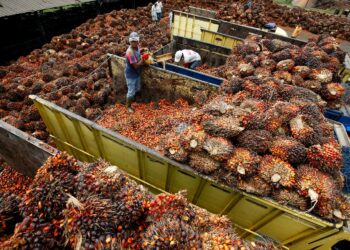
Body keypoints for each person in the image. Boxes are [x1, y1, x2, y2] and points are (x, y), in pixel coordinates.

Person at [124, 32, 147, 113]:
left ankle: (135, 100)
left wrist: (142, 50)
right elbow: (136, 65)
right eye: (132, 41)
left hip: (136, 73)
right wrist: (143, 59)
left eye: (136, 41)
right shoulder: (129, 52)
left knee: (137, 88)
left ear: (138, 41)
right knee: (131, 91)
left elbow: (138, 52)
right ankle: (128, 107)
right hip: (131, 75)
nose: (134, 43)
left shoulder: (137, 47)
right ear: (130, 42)